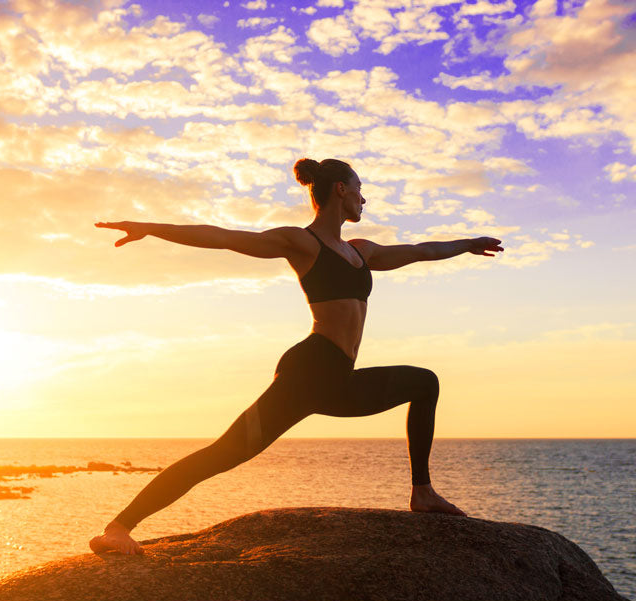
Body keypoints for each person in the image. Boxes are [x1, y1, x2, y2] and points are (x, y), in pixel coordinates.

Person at [90, 158, 504, 555]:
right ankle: (118, 527)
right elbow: (222, 236)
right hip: (307, 374)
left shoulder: (362, 252)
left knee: (424, 382)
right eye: (360, 190)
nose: (365, 199)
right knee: (225, 453)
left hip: (340, 380)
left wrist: (468, 244)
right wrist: (148, 228)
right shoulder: (301, 242)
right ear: (340, 190)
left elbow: (420, 250)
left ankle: (423, 492)